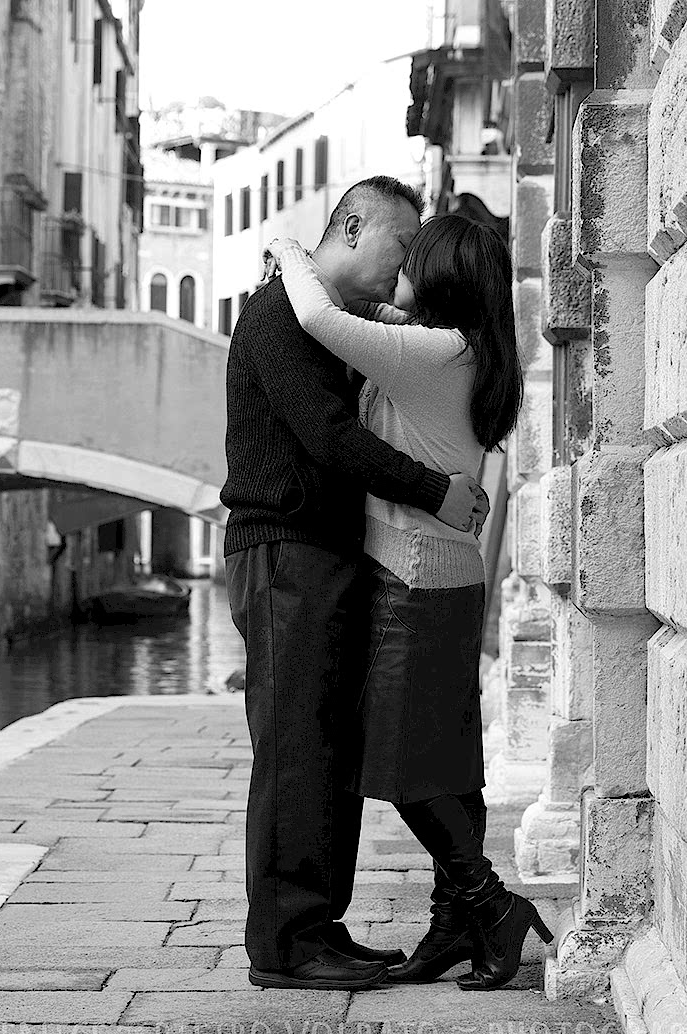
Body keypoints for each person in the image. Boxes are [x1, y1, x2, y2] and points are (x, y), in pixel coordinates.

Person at [263, 206, 549, 991]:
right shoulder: (471, 349)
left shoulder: (425, 355)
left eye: (414, 258)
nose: (402, 270)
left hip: (413, 578)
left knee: (399, 765)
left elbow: (318, 314)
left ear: (443, 275)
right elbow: (381, 316)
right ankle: (455, 922)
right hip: (453, 574)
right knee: (451, 761)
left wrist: (289, 247)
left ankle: (491, 906)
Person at [221, 176, 490, 991]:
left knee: (325, 744)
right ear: (352, 225)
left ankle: (319, 924)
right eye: (400, 244)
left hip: (324, 556)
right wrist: (436, 489)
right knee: (296, 743)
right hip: (283, 551)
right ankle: (286, 941)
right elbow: (333, 440)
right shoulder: (277, 316)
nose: (405, 263)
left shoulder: (344, 325)